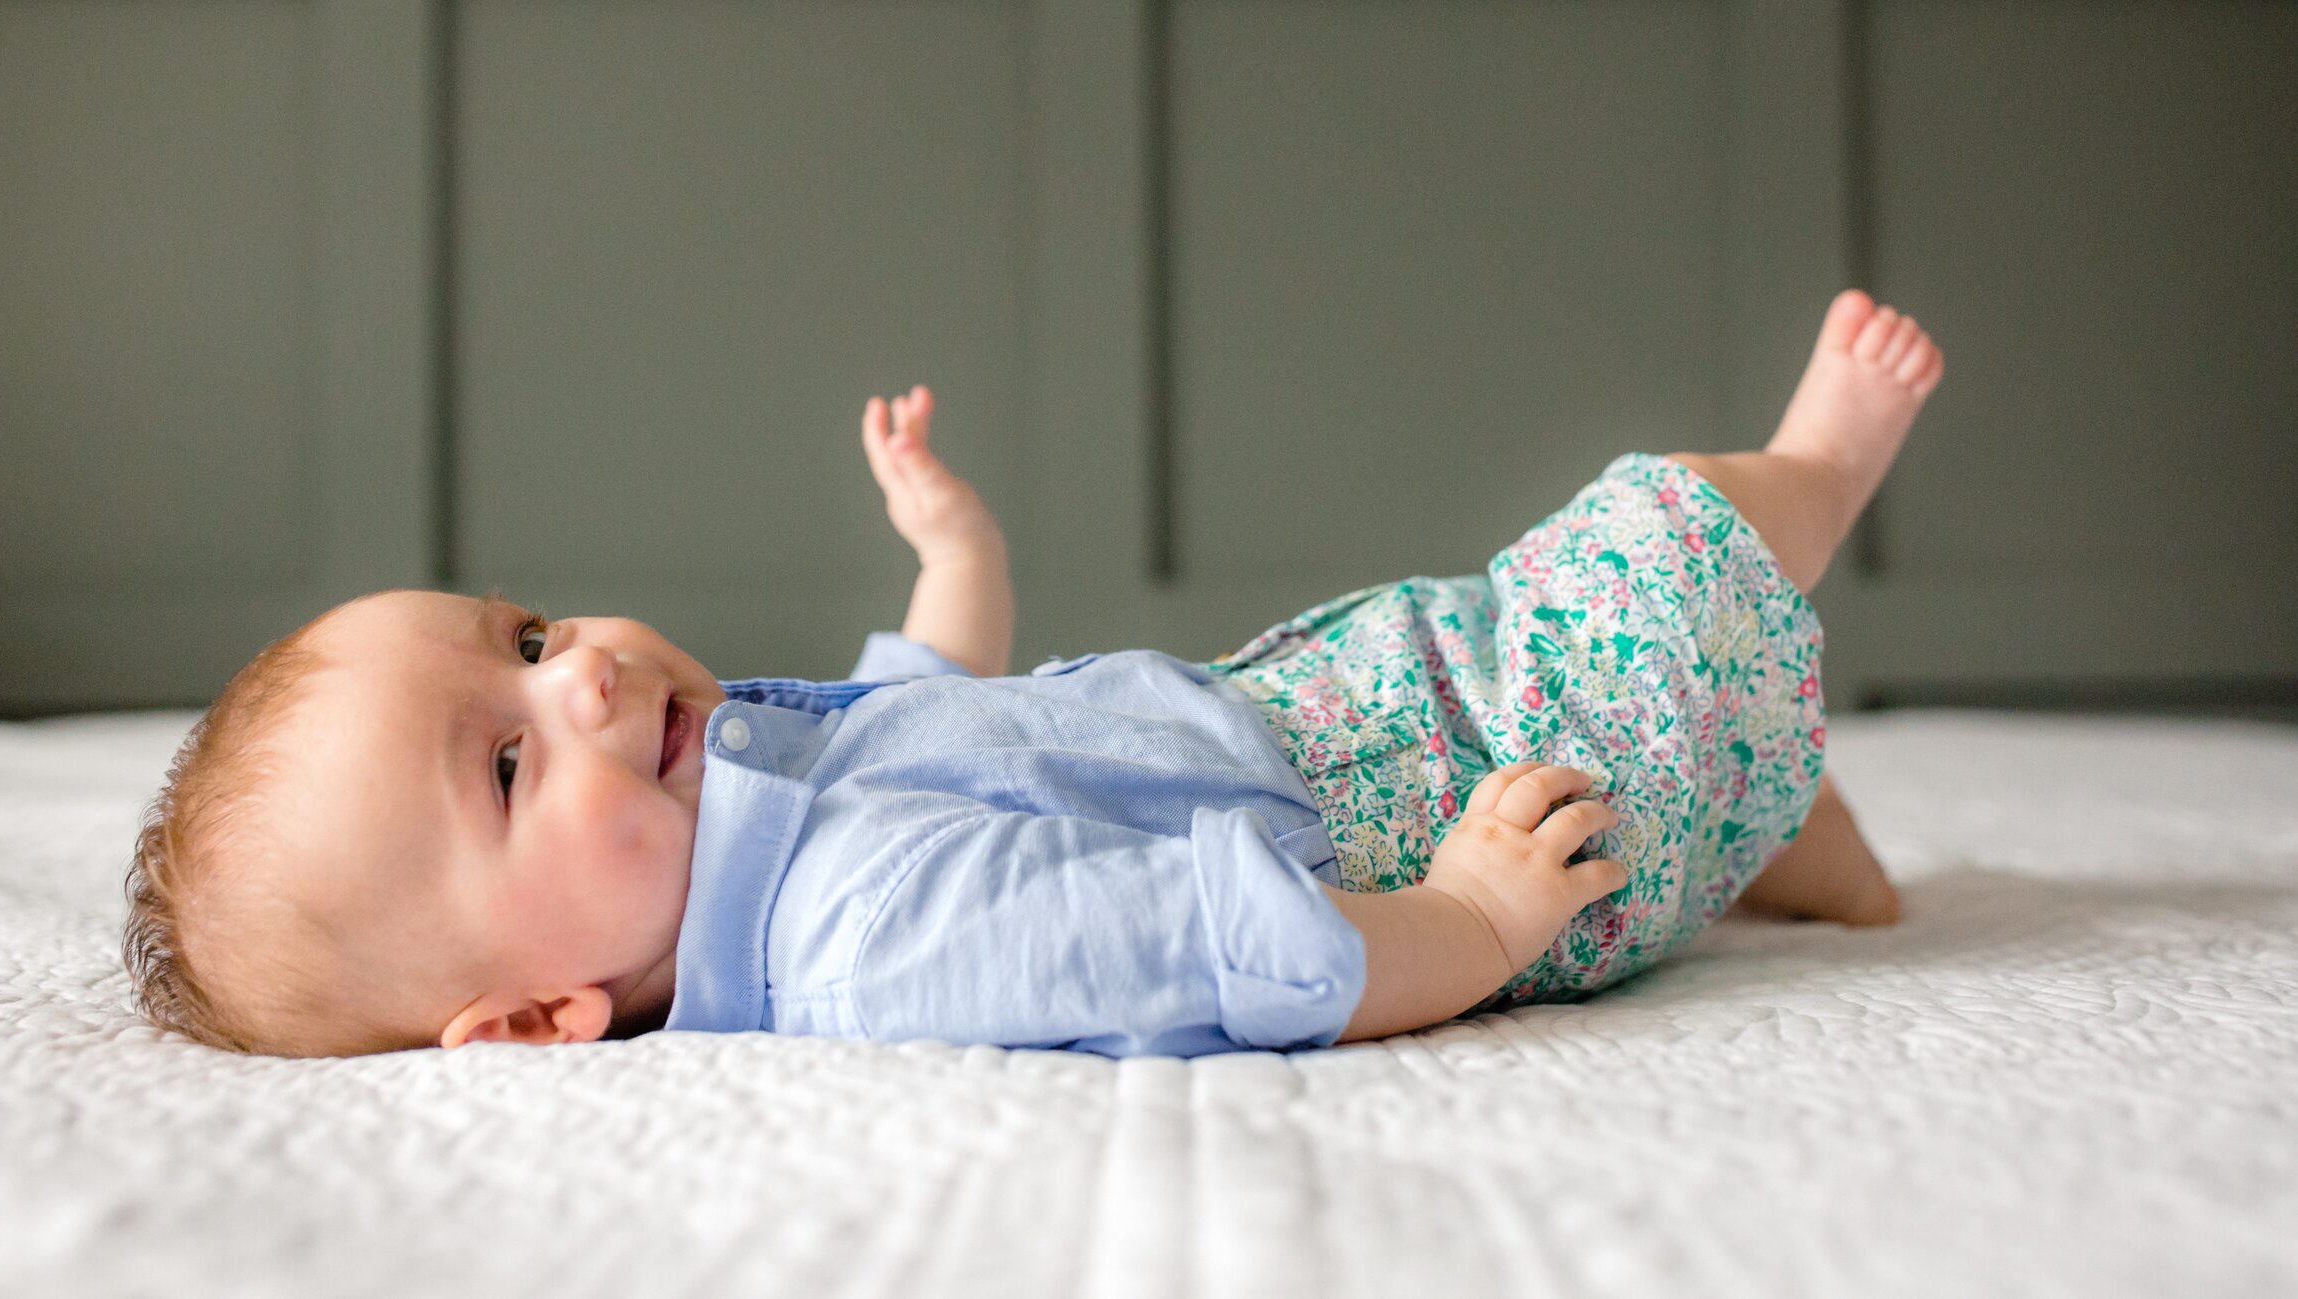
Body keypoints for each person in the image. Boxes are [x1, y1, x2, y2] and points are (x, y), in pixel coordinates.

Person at [124, 290, 1941, 1059]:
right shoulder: (865, 940)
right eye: (506, 766)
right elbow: (1212, 948)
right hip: (1450, 813)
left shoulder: (751, 806)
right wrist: (1466, 919)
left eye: (520, 641)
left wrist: (950, 557)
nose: (578, 676)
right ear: (536, 1021)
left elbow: (913, 702)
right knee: (1659, 536)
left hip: (1341, 697)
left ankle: (1802, 848)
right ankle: (1823, 471)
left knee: (1674, 720)